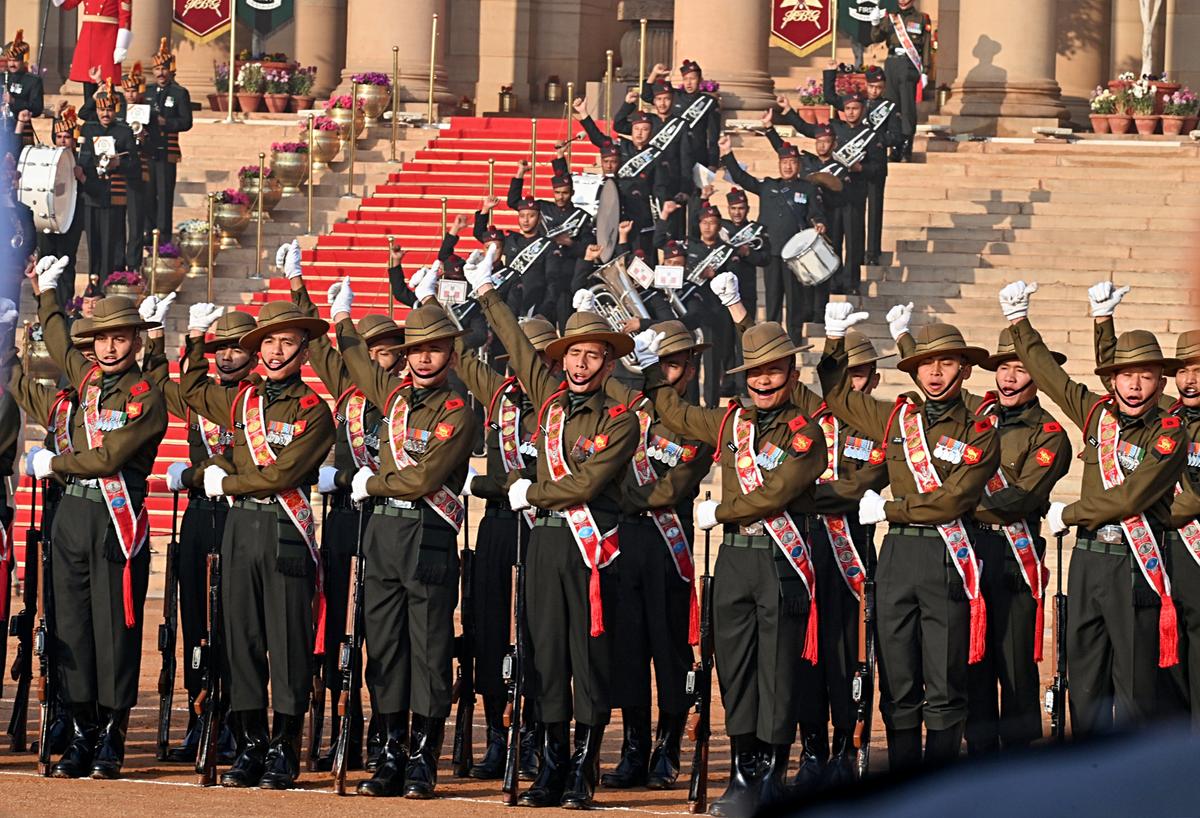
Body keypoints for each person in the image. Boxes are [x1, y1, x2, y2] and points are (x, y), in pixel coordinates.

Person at [631, 306, 826, 818]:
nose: (763, 380)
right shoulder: (732, 421)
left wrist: (721, 508)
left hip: (780, 560)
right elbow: (676, 415)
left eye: (773, 370)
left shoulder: (806, 433)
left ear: (792, 373)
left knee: (777, 673)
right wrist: (653, 369)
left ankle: (771, 777)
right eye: (755, 372)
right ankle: (743, 771)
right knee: (735, 671)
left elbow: (777, 492)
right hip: (735, 560)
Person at [464, 245, 639, 809]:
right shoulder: (550, 400)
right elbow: (517, 347)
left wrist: (532, 490)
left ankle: (583, 771)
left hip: (590, 552)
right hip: (544, 544)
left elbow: (585, 485)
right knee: (545, 658)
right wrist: (488, 293)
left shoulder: (621, 421)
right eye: (573, 356)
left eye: (592, 356)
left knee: (587, 661)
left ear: (608, 365)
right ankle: (552, 766)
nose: (581, 365)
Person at [997, 280, 1187, 735]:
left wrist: (1072, 512)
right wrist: (1018, 321)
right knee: (1084, 682)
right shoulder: (1096, 414)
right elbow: (1049, 376)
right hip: (1085, 563)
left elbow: (1130, 497)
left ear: (1161, 381)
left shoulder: (1169, 432)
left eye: (1145, 375)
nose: (1135, 384)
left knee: (1135, 688)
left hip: (1133, 564)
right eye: (1125, 375)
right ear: (1111, 380)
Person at [820, 302, 999, 771]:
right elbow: (838, 396)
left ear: (964, 367)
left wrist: (891, 507)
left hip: (946, 558)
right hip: (896, 557)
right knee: (897, 679)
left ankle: (937, 781)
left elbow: (953, 501)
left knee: (943, 681)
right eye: (925, 364)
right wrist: (835, 339)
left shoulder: (981, 430)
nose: (935, 373)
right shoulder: (898, 418)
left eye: (944, 363)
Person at [889, 304, 1072, 753]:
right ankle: (979, 752)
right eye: (1004, 369)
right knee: (967, 660)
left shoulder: (1049, 435)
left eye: (1021, 369)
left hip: (1010, 559)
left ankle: (1019, 758)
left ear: (1039, 376)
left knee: (1012, 665)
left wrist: (961, 501)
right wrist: (905, 340)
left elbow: (1019, 500)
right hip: (962, 556)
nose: (1009, 378)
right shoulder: (978, 414)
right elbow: (937, 382)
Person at [329, 282, 478, 799]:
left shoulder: (458, 406)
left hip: (428, 534)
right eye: (415, 349)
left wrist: (371, 482)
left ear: (450, 353)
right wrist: (342, 316)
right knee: (386, 650)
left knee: (430, 650)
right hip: (384, 537)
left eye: (433, 348)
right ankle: (391, 751)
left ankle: (423, 757)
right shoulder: (393, 397)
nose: (423, 357)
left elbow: (422, 479)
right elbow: (354, 361)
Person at [181, 300, 335, 790]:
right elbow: (190, 388)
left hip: (283, 530)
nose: (274, 351)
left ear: (303, 351)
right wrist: (194, 338)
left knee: (287, 644)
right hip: (239, 532)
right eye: (267, 342)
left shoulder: (315, 412)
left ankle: (284, 746)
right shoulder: (241, 401)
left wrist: (226, 481)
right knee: (241, 640)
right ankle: (250, 744)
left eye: (286, 342)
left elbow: (282, 474)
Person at [26, 257, 168, 780]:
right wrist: (46, 293)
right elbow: (61, 339)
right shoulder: (85, 382)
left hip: (114, 520)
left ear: (136, 341)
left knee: (114, 630)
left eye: (120, 338)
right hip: (71, 520)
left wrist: (54, 462)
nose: (109, 347)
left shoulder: (144, 396)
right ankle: (82, 729)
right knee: (73, 628)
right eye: (102, 339)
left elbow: (109, 459)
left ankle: (112, 733)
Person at [282, 241, 405, 773]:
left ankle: (384, 734)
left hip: (393, 521)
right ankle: (342, 729)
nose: (386, 355)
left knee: (382, 633)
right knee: (335, 630)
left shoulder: (408, 398)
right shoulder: (349, 387)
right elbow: (312, 345)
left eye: (392, 348)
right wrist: (297, 287)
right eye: (375, 348)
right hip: (344, 521)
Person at [596, 320, 712, 791]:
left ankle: (667, 751)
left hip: (668, 547)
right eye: (664, 363)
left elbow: (673, 487)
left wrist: (619, 498)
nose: (672, 372)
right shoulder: (627, 414)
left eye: (679, 364)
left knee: (669, 653)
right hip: (626, 545)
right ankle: (633, 750)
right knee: (627, 653)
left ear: (691, 369)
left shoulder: (697, 424)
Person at [141, 296, 252, 763]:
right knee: (195, 620)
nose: (226, 356)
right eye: (218, 348)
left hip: (241, 516)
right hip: (199, 515)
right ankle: (200, 711)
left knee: (233, 621)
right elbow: (151, 385)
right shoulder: (196, 395)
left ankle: (236, 719)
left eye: (235, 348)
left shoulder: (258, 400)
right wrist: (153, 335)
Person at [450, 310, 560, 781]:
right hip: (497, 527)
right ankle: (498, 734)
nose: (521, 368)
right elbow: (454, 356)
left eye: (531, 359)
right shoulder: (500, 399)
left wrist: (498, 483)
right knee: (491, 632)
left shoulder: (560, 406)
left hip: (543, 526)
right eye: (515, 359)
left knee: (537, 636)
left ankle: (532, 736)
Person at [1090, 281, 1200, 725]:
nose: (1192, 378)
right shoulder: (1165, 415)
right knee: (1164, 662)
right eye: (1186, 369)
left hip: (1193, 547)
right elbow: (1119, 376)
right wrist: (1103, 322)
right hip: (1158, 551)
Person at [719, 132, 826, 343]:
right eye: (784, 162)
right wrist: (727, 153)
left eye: (792, 162)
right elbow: (742, 178)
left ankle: (794, 340)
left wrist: (820, 223)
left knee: (795, 301)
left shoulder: (808, 189)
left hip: (796, 255)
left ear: (798, 165)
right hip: (771, 253)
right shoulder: (768, 186)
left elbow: (816, 213)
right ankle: (774, 341)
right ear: (779, 164)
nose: (788, 167)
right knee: (773, 300)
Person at [823, 64, 903, 264]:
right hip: (851, 166)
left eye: (879, 87)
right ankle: (856, 254)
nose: (875, 91)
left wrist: (877, 140)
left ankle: (873, 253)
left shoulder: (889, 108)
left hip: (874, 164)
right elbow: (830, 98)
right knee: (854, 213)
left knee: (875, 209)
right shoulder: (857, 103)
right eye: (872, 86)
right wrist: (830, 73)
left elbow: (896, 136)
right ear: (866, 85)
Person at [574, 96, 670, 257]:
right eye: (637, 128)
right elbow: (598, 137)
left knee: (644, 257)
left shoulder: (656, 155)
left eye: (645, 129)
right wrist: (583, 113)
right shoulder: (621, 146)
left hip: (643, 213)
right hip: (618, 209)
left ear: (651, 131)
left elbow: (659, 187)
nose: (640, 133)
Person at [508, 149, 594, 325]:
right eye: (557, 193)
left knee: (563, 324)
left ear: (572, 192)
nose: (560, 197)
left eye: (565, 193)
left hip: (565, 277)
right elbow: (513, 202)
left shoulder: (583, 217)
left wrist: (569, 242)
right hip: (541, 274)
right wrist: (520, 173)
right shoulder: (544, 208)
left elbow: (588, 250)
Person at [77, 80, 134, 278]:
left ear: (115, 109)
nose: (105, 114)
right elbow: (82, 159)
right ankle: (94, 281)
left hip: (114, 194)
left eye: (109, 109)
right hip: (92, 192)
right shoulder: (89, 129)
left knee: (112, 241)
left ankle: (112, 278)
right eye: (102, 110)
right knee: (93, 241)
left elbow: (133, 163)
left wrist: (118, 164)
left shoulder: (124, 131)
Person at [37, 105, 87, 308]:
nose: (63, 141)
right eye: (59, 137)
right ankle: (45, 305)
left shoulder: (82, 159)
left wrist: (82, 177)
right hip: (48, 217)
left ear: (74, 139)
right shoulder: (47, 157)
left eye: (67, 136)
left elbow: (94, 191)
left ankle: (67, 305)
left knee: (66, 261)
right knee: (46, 261)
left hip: (71, 218)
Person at [869, 0, 932, 161]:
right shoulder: (890, 17)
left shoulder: (922, 18)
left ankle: (905, 148)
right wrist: (875, 23)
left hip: (909, 65)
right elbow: (876, 38)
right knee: (891, 107)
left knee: (907, 109)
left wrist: (925, 70)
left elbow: (925, 46)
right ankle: (894, 148)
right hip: (891, 63)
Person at [474, 193, 553, 318]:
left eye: (531, 216)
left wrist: (544, 311)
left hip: (535, 304)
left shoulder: (548, 245)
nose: (526, 220)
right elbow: (481, 235)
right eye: (522, 216)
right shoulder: (511, 240)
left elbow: (552, 283)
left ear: (539, 218)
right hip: (511, 301)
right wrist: (485, 210)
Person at [144, 37, 191, 242]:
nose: (160, 73)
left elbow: (186, 121)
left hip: (167, 151)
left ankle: (163, 237)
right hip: (147, 149)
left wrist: (167, 122)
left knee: (164, 196)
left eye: (164, 68)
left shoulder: (180, 93)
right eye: (156, 69)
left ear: (171, 70)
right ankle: (148, 232)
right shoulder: (147, 92)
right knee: (147, 194)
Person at [54, 0, 132, 93]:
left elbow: (125, 17)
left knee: (107, 87)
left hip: (107, 40)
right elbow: (68, 4)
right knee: (88, 85)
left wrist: (121, 46)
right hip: (87, 39)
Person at [120, 61, 148, 270]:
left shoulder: (148, 112)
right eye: (126, 90)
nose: (130, 95)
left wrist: (145, 137)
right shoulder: (118, 113)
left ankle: (134, 264)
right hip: (119, 172)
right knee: (118, 224)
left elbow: (157, 145)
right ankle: (118, 263)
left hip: (140, 172)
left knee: (137, 222)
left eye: (133, 90)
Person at [3, 29, 44, 149]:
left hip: (21, 129)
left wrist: (14, 101)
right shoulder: (3, 77)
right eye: (9, 60)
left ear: (23, 60)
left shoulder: (33, 81)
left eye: (16, 61)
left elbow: (37, 108)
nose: (12, 64)